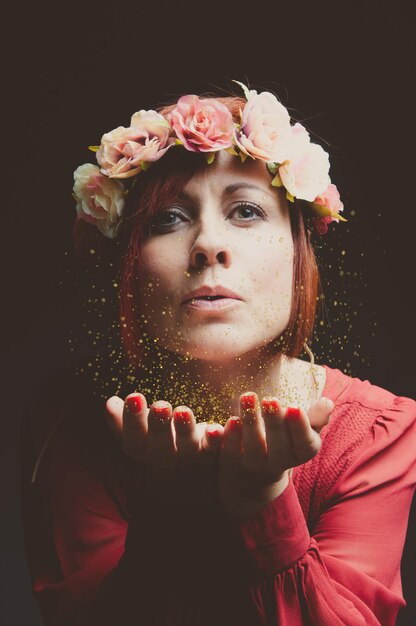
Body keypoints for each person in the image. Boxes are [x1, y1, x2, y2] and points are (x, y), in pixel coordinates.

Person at [21, 82, 416, 626]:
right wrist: (169, 502)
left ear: (299, 253)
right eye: (166, 219)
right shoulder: (70, 423)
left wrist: (263, 496)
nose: (208, 243)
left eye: (247, 211)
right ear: (129, 267)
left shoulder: (377, 431)